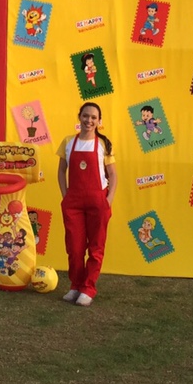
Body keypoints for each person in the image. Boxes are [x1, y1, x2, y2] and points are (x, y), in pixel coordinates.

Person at [57, 102, 117, 308]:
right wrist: (66, 197)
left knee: (96, 247)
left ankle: (88, 288)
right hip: (73, 202)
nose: (89, 120)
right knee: (74, 247)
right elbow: (60, 172)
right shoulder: (67, 142)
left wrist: (107, 201)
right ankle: (75, 285)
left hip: (97, 202)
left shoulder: (103, 144)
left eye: (93, 117)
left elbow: (113, 176)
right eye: (85, 116)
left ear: (99, 121)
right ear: (79, 117)